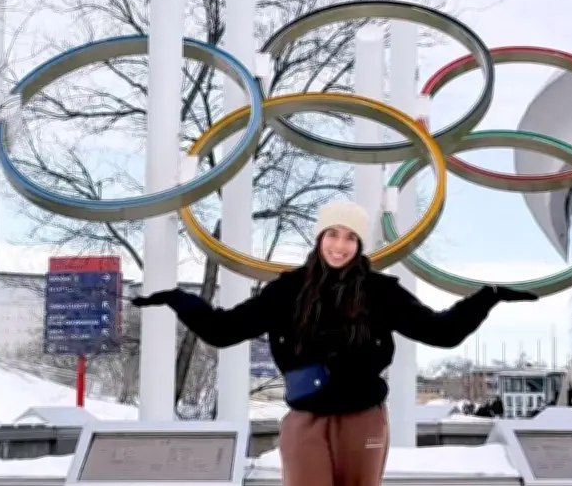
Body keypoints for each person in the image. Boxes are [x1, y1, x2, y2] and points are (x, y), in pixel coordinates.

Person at [132, 200, 538, 486]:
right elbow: (224, 331)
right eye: (333, 234)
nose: (340, 245)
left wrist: (487, 297)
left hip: (364, 418)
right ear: (319, 237)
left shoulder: (381, 292)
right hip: (306, 419)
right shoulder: (286, 291)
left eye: (350, 238)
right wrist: (178, 300)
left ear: (361, 244)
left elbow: (441, 332)